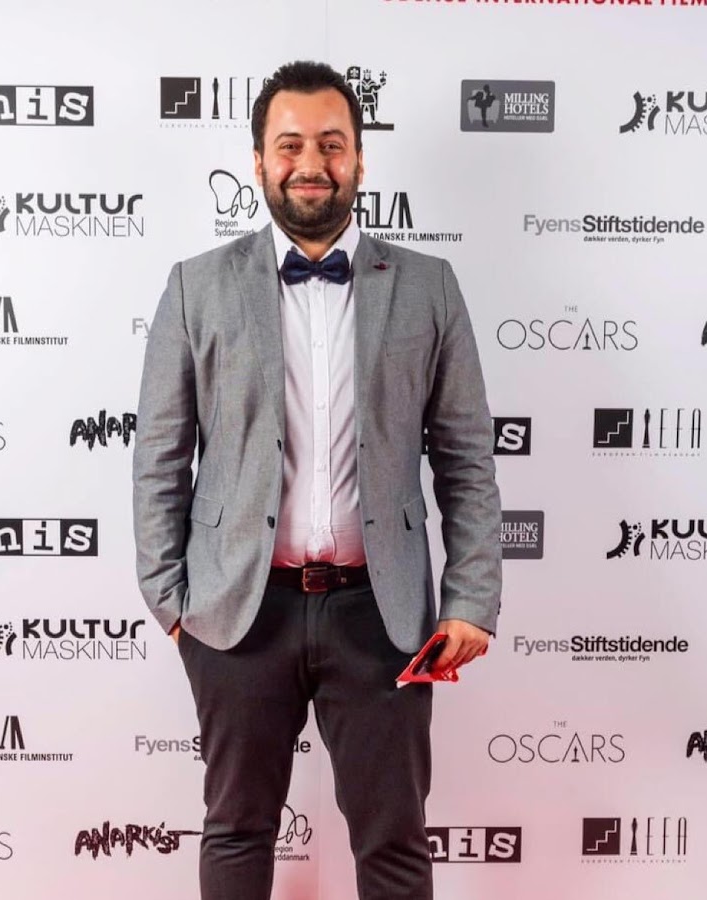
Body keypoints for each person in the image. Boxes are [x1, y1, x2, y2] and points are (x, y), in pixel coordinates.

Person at [133, 59, 502, 900]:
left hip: (382, 615)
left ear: (360, 159)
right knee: (236, 832)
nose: (312, 162)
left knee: (395, 844)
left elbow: (465, 458)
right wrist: (171, 600)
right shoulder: (196, 287)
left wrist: (472, 598)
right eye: (290, 144)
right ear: (259, 161)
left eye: (332, 144)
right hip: (236, 613)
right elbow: (159, 453)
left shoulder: (429, 287)